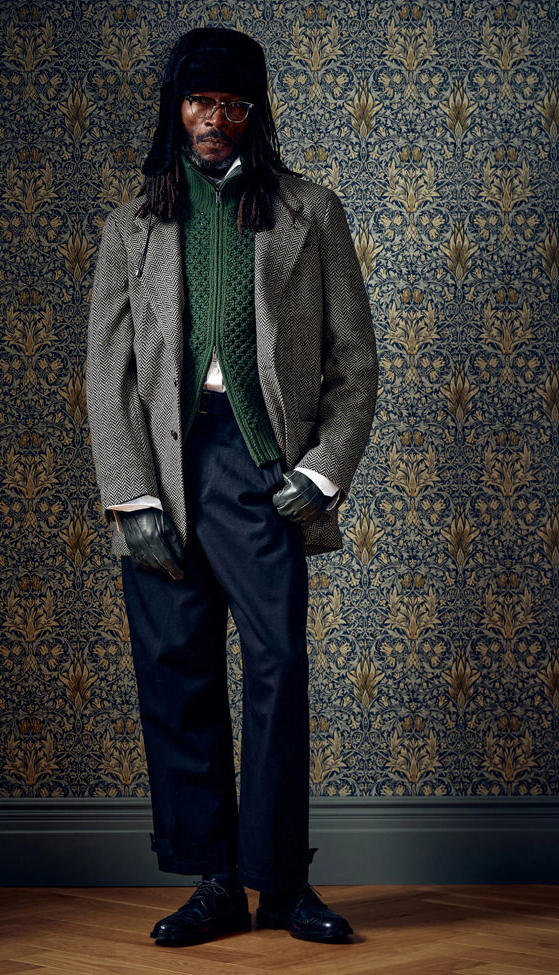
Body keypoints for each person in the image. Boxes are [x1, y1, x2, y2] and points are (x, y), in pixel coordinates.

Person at [85, 26, 378, 948]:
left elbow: (355, 363)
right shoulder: (131, 225)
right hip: (165, 471)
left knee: (277, 668)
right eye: (199, 101)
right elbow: (108, 375)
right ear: (176, 108)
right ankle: (213, 881)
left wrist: (321, 471)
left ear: (254, 111)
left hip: (262, 466)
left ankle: (281, 883)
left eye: (231, 103)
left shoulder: (310, 212)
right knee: (177, 671)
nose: (214, 118)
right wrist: (131, 499)